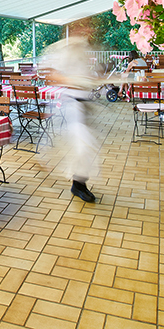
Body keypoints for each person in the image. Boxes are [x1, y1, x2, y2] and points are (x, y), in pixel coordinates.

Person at [42, 33, 100, 203]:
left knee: (87, 147)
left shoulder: (83, 49)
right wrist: (75, 81)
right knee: (82, 147)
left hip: (83, 104)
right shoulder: (63, 49)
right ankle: (78, 184)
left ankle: (79, 182)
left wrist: (90, 79)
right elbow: (52, 75)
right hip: (72, 105)